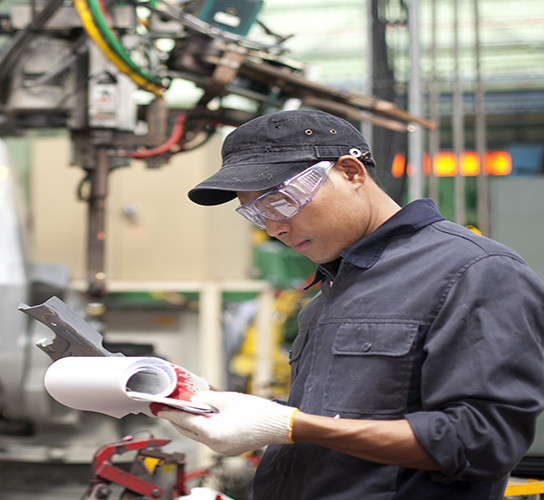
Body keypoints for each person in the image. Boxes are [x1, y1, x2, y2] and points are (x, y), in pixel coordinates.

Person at [155, 109, 544, 499]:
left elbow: (482, 440)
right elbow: (342, 416)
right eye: (257, 214)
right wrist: (224, 405)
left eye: (281, 201)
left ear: (350, 173)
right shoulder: (329, 291)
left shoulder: (476, 271)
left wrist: (293, 426)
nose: (274, 227)